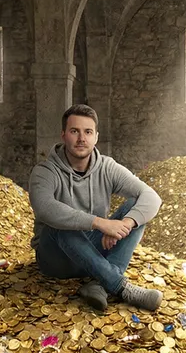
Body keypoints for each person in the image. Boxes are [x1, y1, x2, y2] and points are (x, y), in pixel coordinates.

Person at [28, 103, 162, 313]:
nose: (82, 138)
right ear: (63, 135)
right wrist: (100, 223)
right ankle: (121, 287)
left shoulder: (107, 167)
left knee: (136, 208)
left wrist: (125, 224)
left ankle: (99, 285)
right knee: (59, 223)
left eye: (88, 132)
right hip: (56, 259)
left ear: (96, 137)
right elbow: (45, 208)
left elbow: (151, 197)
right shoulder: (45, 171)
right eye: (75, 131)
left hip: (93, 251)